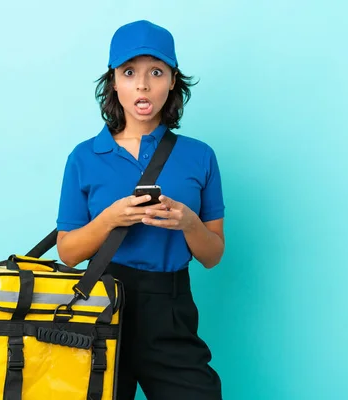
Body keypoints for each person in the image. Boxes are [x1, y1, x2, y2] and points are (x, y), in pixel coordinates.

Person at [56, 20, 225, 400]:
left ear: (172, 80)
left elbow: (213, 255)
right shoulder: (84, 157)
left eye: (156, 72)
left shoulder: (200, 156)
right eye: (129, 72)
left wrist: (189, 222)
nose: (143, 85)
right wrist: (110, 219)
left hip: (170, 308)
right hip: (99, 308)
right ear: (114, 81)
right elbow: (68, 253)